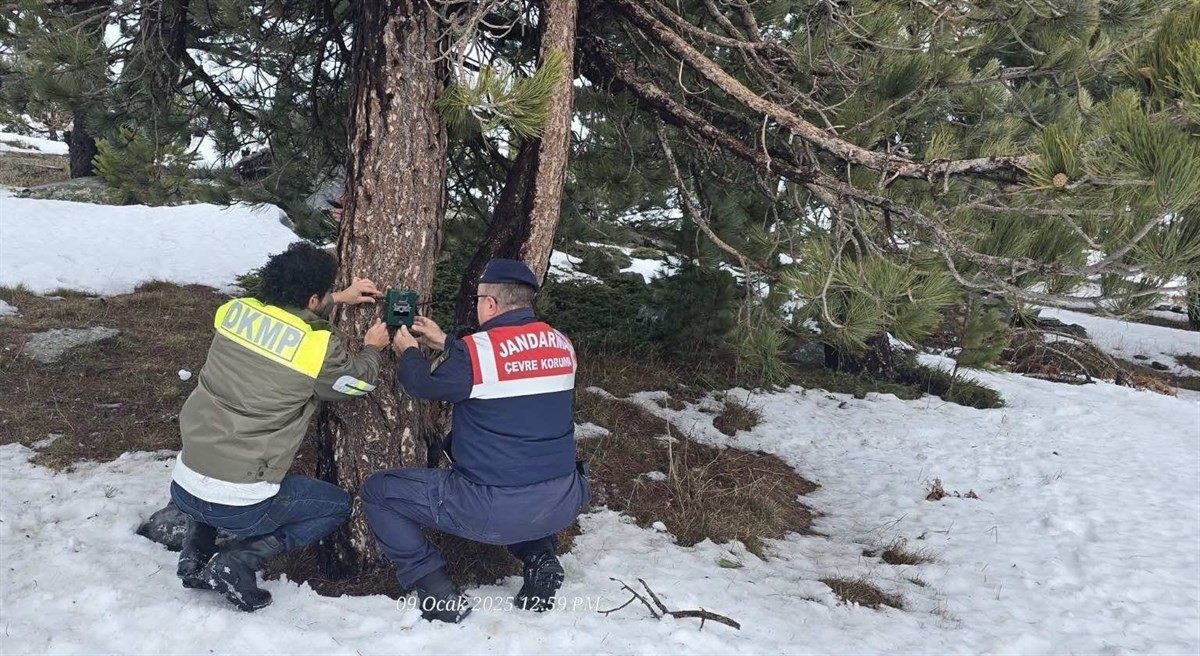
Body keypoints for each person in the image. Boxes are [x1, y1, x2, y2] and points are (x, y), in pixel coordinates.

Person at [361, 258, 590, 624]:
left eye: (479, 298)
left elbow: (423, 385)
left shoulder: (476, 352)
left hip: (494, 507)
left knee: (378, 491)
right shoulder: (561, 343)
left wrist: (409, 351)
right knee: (509, 463)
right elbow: (514, 361)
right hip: (563, 499)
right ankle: (540, 556)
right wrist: (446, 342)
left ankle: (435, 592)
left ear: (491, 304)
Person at [169, 242, 389, 612]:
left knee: (217, 456)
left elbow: (283, 319)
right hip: (240, 505)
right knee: (336, 506)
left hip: (184, 483)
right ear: (314, 299)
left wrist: (340, 297)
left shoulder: (234, 313)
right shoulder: (316, 348)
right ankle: (240, 561)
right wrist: (372, 349)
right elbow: (355, 384)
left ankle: (195, 552)